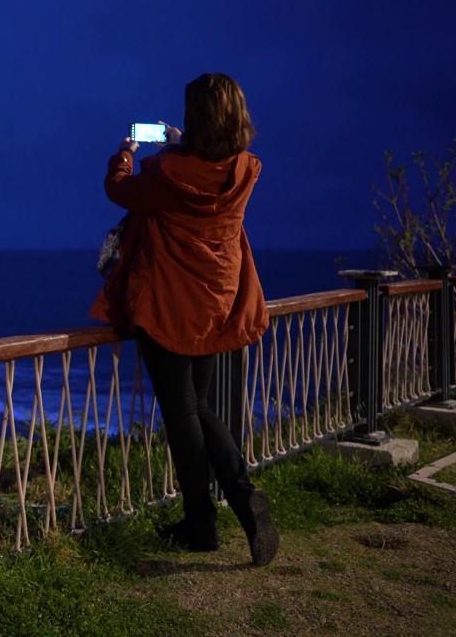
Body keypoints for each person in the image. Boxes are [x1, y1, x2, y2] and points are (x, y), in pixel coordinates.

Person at [89, 73, 279, 566]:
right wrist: (185, 144)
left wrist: (126, 151)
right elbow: (208, 172)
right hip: (217, 301)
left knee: (182, 415)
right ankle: (237, 497)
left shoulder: (166, 172)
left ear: (195, 118)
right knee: (200, 407)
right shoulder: (245, 169)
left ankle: (205, 522)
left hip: (168, 304)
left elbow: (120, 190)